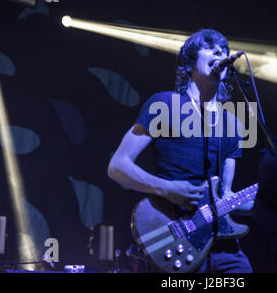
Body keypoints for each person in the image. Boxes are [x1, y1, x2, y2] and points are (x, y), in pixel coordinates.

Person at [107, 29, 253, 273]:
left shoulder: (233, 124)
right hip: (177, 241)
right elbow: (117, 166)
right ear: (190, 62)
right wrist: (167, 188)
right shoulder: (164, 104)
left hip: (223, 250)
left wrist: (268, 197)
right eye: (210, 47)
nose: (220, 52)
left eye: (224, 49)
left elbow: (226, 195)